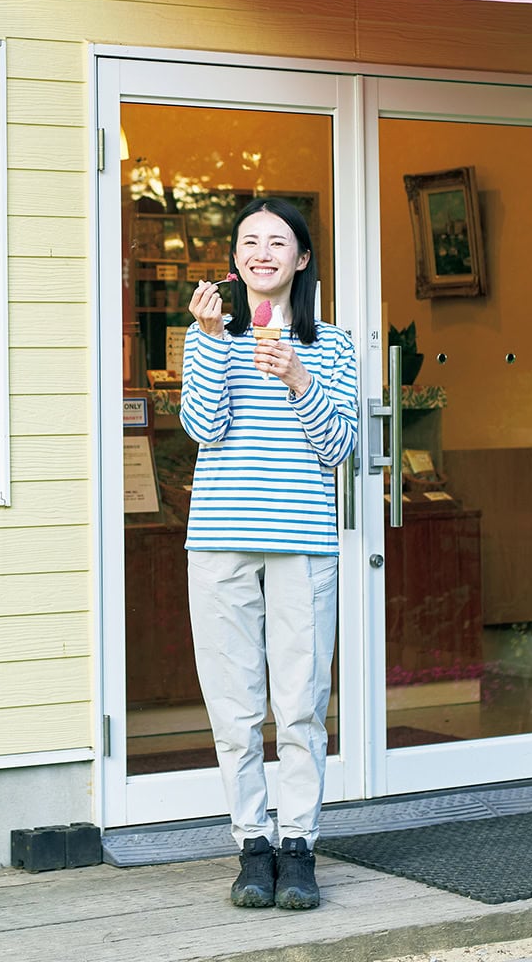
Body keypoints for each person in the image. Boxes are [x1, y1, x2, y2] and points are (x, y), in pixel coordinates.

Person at [180, 196, 358, 911]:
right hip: (220, 539)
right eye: (249, 241)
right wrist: (208, 341)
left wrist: (297, 378)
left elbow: (338, 446)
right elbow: (203, 428)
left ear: (301, 258)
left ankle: (299, 846)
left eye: (277, 242)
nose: (262, 252)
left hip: (302, 544)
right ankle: (251, 845)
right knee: (233, 707)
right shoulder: (209, 336)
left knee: (301, 706)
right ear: (234, 260)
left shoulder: (333, 344)